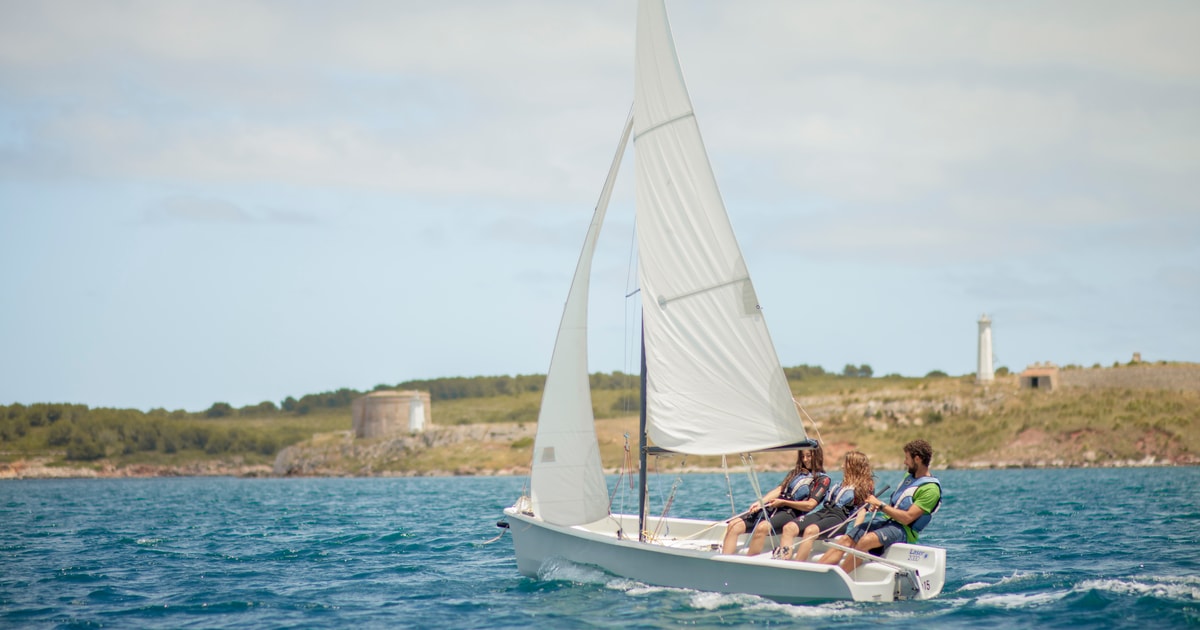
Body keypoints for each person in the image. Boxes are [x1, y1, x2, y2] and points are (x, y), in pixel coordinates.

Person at [816, 439, 942, 573]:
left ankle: (839, 577)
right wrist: (878, 506)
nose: (905, 462)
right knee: (846, 539)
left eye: (907, 458)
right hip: (886, 522)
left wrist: (880, 505)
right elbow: (898, 505)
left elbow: (907, 518)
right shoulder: (909, 477)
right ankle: (817, 572)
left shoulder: (931, 489)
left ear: (917, 459)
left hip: (903, 530)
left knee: (865, 541)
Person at [720, 446, 830, 555]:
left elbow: (810, 505)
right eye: (803, 456)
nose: (805, 459)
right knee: (733, 525)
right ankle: (724, 563)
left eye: (808, 456)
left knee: (762, 527)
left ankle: (749, 563)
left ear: (817, 456)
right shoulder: (795, 473)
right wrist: (761, 503)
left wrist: (784, 502)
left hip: (791, 513)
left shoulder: (823, 480)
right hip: (774, 507)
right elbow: (780, 489)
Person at [778, 450, 873, 561]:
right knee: (789, 528)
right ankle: (783, 560)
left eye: (845, 463)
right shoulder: (841, 483)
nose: (842, 466)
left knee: (810, 531)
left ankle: (797, 567)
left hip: (838, 518)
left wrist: (854, 536)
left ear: (854, 466)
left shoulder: (864, 487)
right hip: (824, 512)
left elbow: (861, 511)